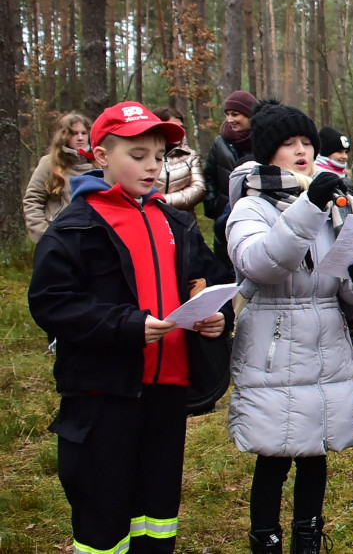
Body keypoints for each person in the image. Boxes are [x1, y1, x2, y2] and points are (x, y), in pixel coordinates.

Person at [28, 101, 231, 554]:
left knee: (157, 511)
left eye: (159, 156)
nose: (152, 166)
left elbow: (208, 279)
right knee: (104, 509)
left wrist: (215, 317)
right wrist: (127, 325)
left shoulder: (176, 221)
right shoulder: (77, 226)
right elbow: (51, 302)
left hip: (167, 392)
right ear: (101, 157)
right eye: (137, 155)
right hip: (104, 395)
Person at [226, 100, 353, 553]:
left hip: (326, 343)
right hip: (274, 345)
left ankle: (307, 536)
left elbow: (345, 290)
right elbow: (261, 264)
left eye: (307, 142)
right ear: (267, 153)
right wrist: (309, 205)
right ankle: (265, 538)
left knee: (317, 451)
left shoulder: (334, 205)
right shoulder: (251, 207)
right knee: (274, 454)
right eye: (289, 144)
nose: (302, 151)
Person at [205, 90, 258, 267]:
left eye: (235, 114)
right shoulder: (220, 142)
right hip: (225, 218)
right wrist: (214, 205)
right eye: (227, 114)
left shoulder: (263, 142)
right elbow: (209, 175)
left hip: (256, 217)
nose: (230, 120)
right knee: (225, 270)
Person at [24, 112, 93, 243]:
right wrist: (46, 236)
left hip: (92, 240)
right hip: (60, 238)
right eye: (74, 133)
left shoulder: (99, 164)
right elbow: (32, 201)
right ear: (64, 135)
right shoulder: (49, 163)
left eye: (83, 133)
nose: (80, 138)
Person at [151, 107, 207, 212]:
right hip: (149, 218)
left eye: (181, 127)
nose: (178, 131)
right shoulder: (145, 156)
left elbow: (199, 189)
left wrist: (163, 200)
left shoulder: (191, 156)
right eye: (172, 127)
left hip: (182, 221)